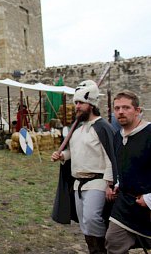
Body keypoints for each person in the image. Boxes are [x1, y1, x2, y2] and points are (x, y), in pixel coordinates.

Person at [51, 80, 117, 253]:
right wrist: (62, 155)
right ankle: (93, 250)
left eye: (81, 103)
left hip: (98, 181)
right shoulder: (78, 129)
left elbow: (111, 157)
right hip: (78, 183)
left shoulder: (103, 127)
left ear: (91, 104)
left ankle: (102, 250)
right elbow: (74, 151)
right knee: (84, 223)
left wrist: (110, 183)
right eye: (76, 103)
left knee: (92, 218)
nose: (77, 107)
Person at [105, 90, 151, 253]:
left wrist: (149, 199)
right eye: (117, 108)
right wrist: (119, 182)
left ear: (138, 111)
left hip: (147, 206)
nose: (121, 112)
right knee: (113, 242)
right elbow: (123, 165)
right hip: (125, 205)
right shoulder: (118, 136)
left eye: (126, 107)